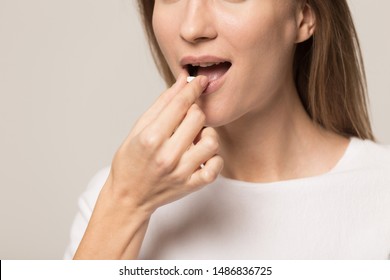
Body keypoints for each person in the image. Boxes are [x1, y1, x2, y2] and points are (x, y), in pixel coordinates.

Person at [64, 0, 390, 259]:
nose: (192, 27)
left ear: (303, 17)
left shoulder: (380, 196)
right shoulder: (111, 199)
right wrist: (126, 203)